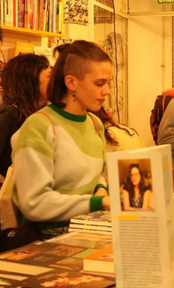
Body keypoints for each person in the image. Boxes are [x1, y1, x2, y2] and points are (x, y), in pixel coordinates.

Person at [10, 40, 112, 240]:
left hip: (89, 227)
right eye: (99, 83)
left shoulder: (94, 123)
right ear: (71, 82)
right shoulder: (39, 127)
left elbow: (95, 176)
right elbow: (34, 203)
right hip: (48, 237)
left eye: (108, 83)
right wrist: (98, 202)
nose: (107, 91)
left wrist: (100, 190)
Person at [0, 54, 51, 180]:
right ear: (31, 79)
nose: (54, 82)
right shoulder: (9, 113)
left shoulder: (42, 114)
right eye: (49, 76)